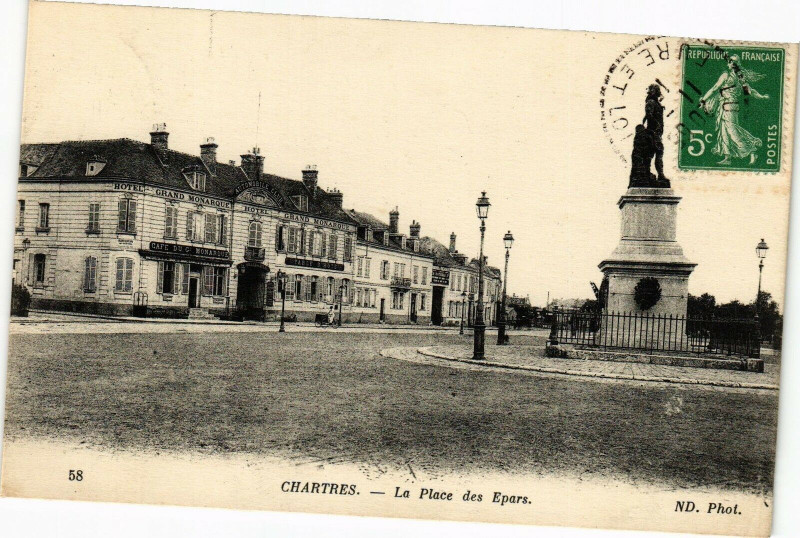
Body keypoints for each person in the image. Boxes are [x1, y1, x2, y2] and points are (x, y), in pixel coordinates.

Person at [699, 54, 769, 165]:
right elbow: (751, 91)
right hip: (730, 106)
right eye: (730, 60)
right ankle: (728, 158)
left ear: (735, 64)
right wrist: (762, 96)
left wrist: (703, 100)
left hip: (728, 106)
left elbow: (714, 88)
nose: (730, 62)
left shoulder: (726, 75)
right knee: (724, 132)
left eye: (732, 61)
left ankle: (752, 150)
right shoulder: (740, 77)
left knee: (733, 132)